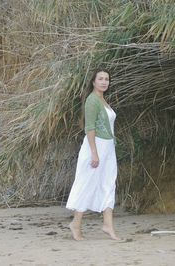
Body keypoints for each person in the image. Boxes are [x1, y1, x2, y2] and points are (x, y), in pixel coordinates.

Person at [66, 69, 120, 241]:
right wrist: (94, 153)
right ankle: (75, 224)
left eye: (107, 79)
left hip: (108, 148)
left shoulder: (103, 100)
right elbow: (89, 127)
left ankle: (108, 225)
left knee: (108, 183)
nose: (104, 82)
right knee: (87, 183)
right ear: (93, 82)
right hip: (95, 148)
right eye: (101, 79)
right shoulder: (92, 101)